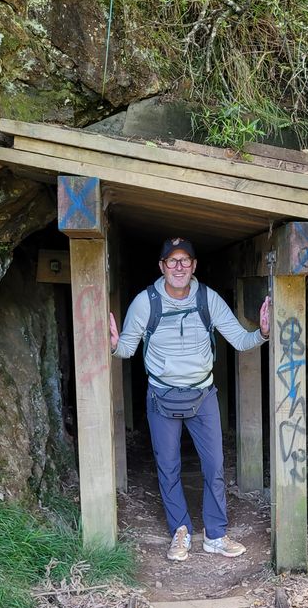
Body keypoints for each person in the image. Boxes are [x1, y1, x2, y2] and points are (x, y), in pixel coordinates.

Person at [110, 237, 270, 562]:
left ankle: (215, 535)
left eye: (185, 261)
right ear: (162, 267)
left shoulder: (208, 299)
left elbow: (239, 340)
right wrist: (112, 343)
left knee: (214, 467)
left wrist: (263, 333)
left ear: (194, 266)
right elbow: (126, 349)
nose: (179, 267)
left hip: (203, 395)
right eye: (172, 261)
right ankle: (180, 532)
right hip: (161, 397)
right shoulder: (146, 302)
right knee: (168, 467)